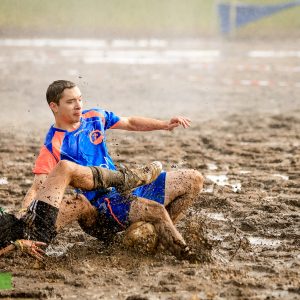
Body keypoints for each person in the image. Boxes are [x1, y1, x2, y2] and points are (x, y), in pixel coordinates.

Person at [6, 79, 204, 260]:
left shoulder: (94, 116)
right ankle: (189, 258)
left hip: (127, 187)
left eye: (80, 99)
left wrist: (164, 125)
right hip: (101, 205)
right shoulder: (53, 145)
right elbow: (38, 187)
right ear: (54, 106)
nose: (78, 106)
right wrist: (23, 213)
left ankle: (151, 234)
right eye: (71, 102)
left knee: (194, 179)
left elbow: (129, 122)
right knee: (157, 210)